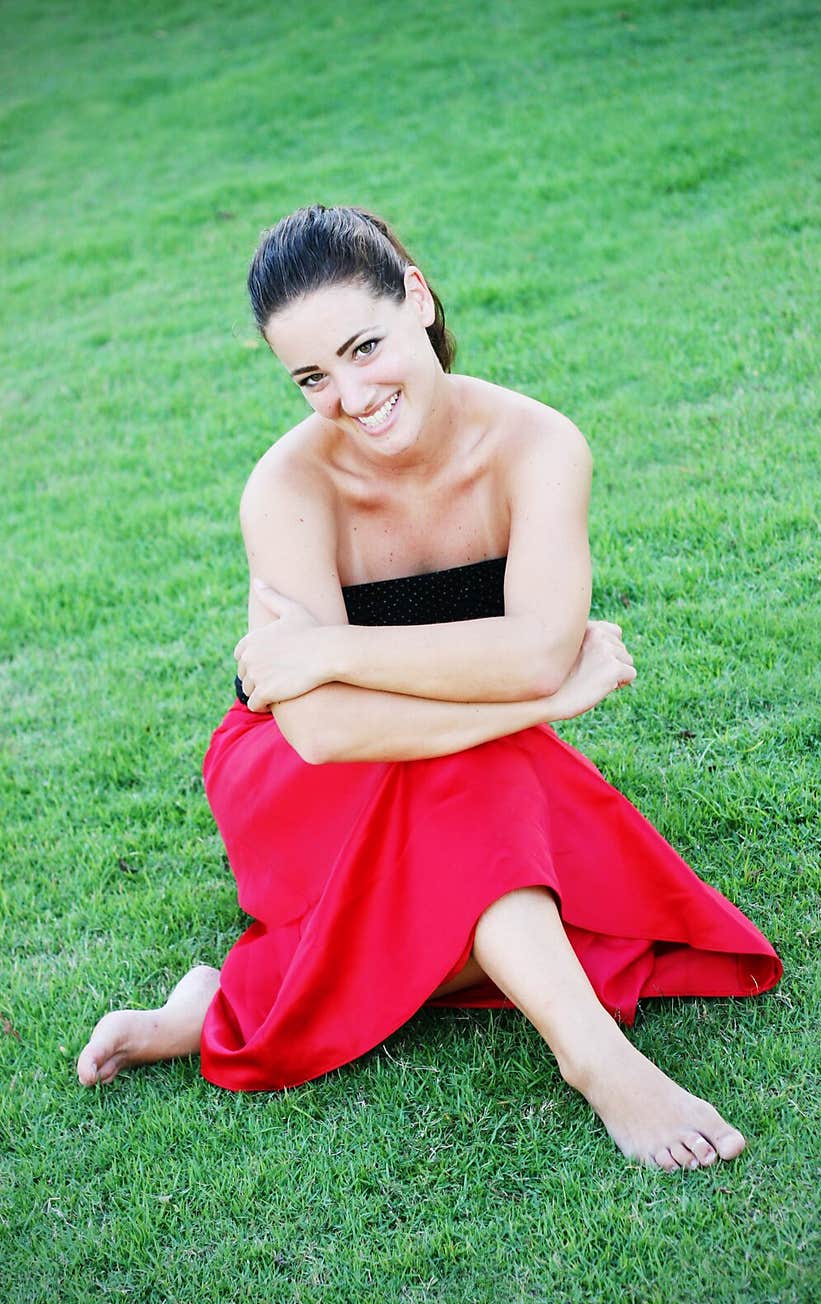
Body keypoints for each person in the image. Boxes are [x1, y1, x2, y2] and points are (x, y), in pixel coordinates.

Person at [78, 204, 782, 1171]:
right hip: (295, 775)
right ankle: (598, 1061)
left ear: (416, 296)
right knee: (482, 790)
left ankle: (220, 1003)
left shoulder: (537, 446)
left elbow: (537, 648)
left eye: (364, 347)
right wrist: (545, 702)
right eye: (313, 378)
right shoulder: (286, 489)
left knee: (459, 844)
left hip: (449, 742)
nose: (352, 396)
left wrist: (333, 649)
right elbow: (323, 732)